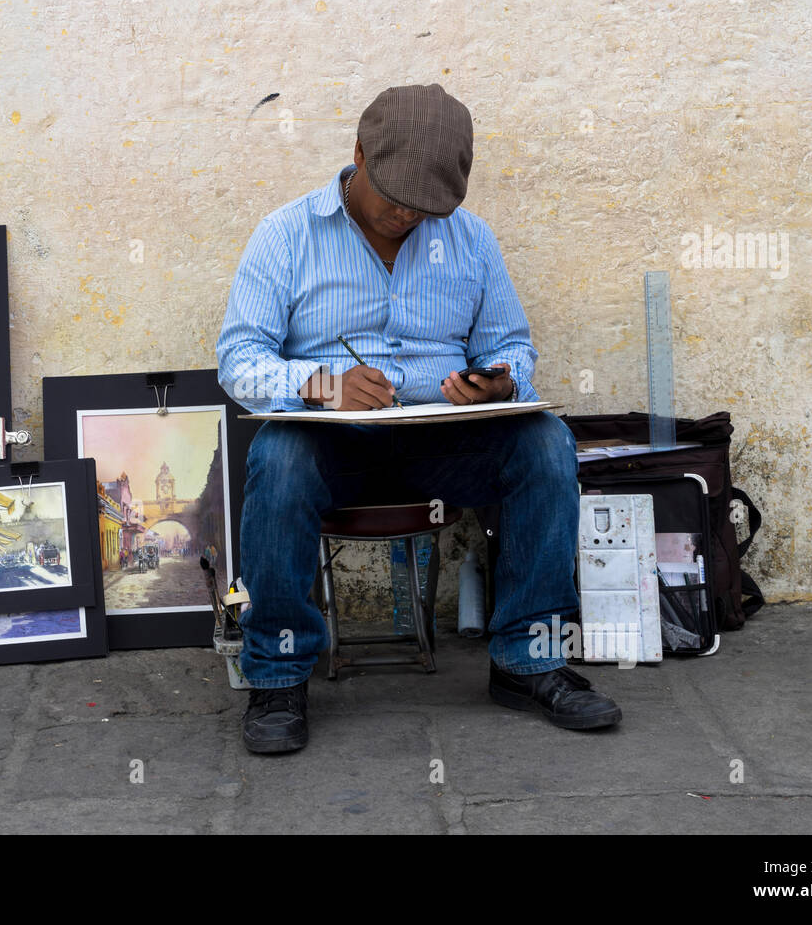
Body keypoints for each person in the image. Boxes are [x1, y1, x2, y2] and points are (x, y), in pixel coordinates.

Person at [216, 84, 621, 755]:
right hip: (331, 447)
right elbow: (239, 363)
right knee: (278, 457)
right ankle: (279, 676)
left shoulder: (470, 239)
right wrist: (323, 385)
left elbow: (512, 347)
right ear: (358, 155)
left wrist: (498, 381)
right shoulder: (286, 235)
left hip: (442, 445)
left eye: (424, 205)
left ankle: (529, 662)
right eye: (394, 195)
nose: (406, 214)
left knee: (546, 443)